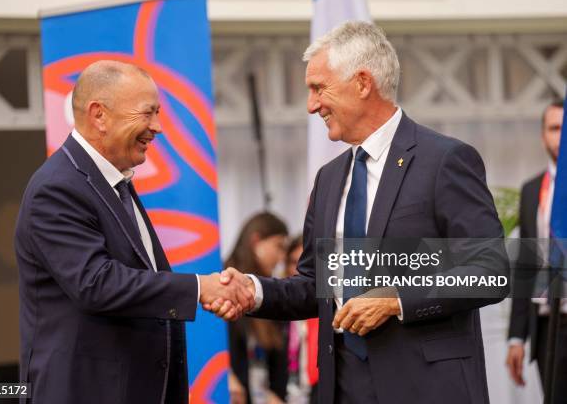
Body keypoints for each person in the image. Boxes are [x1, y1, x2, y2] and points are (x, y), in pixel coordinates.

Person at [210, 22, 509, 403]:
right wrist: (252, 292)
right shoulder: (329, 178)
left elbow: (491, 270)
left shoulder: (444, 161)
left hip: (427, 387)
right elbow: (312, 285)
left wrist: (395, 298)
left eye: (319, 88)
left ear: (363, 83)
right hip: (344, 387)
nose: (311, 105)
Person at [14, 60, 253, 404]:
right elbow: (96, 283)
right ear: (99, 115)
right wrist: (200, 287)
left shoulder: (114, 183)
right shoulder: (57, 188)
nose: (158, 127)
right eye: (148, 113)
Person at [506, 100, 565, 400]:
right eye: (555, 128)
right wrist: (516, 337)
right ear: (543, 136)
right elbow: (526, 266)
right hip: (548, 327)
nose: (562, 135)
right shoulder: (531, 190)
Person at [227, 212, 289, 404]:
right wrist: (225, 375)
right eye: (278, 246)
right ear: (256, 240)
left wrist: (276, 395)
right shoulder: (222, 283)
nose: (280, 258)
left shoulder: (271, 292)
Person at [284, 235, 319, 404]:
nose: (299, 270)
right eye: (293, 262)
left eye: (306, 264)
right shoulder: (277, 314)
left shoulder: (328, 312)